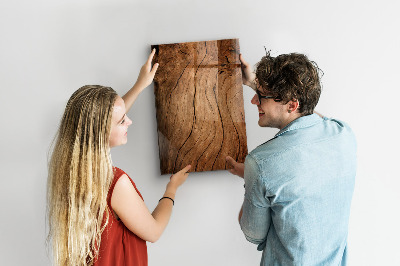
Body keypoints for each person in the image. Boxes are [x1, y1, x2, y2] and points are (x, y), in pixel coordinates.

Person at [47, 49, 191, 266]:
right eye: (122, 121)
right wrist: (172, 188)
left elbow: (104, 119)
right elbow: (153, 231)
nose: (129, 122)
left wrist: (140, 84)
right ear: (101, 131)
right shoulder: (115, 183)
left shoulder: (69, 171)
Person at [226, 52, 357, 265]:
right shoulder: (344, 134)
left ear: (292, 105)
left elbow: (253, 234)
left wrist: (252, 177)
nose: (253, 100)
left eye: (261, 96)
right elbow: (311, 116)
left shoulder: (260, 163)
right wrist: (253, 83)